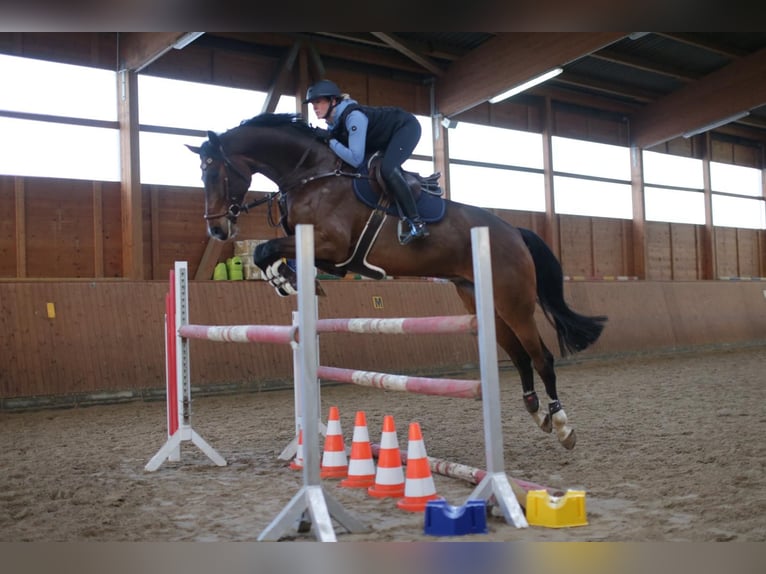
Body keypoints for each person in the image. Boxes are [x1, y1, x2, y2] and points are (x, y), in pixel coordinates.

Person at [303, 79, 429, 244]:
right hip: (383, 138)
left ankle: (417, 223)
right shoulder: (333, 125)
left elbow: (355, 159)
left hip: (405, 127)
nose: (314, 108)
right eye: (312, 104)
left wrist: (330, 141)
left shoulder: (354, 117)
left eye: (318, 102)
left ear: (333, 101)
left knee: (388, 168)